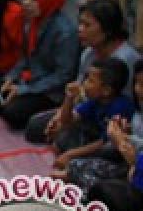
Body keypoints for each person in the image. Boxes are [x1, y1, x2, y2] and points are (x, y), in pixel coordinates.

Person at [27, 0, 139, 145]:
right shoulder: (88, 54)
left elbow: (127, 105)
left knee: (67, 140)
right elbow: (80, 92)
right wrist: (60, 116)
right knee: (35, 126)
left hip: (113, 120)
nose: (80, 29)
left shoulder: (127, 60)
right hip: (87, 109)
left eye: (87, 25)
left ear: (107, 30)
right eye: (80, 24)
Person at [0, 0, 80, 130]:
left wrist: (23, 90)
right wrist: (11, 78)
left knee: (12, 114)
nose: (26, 3)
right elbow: (25, 58)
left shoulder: (65, 33)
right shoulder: (31, 22)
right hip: (31, 79)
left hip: (50, 90)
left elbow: (63, 76)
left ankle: (47, 115)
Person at [50, 58, 133, 188]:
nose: (84, 83)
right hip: (94, 139)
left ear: (106, 90)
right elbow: (67, 121)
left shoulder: (120, 107)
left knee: (80, 161)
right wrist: (69, 97)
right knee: (63, 136)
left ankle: (75, 174)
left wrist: (70, 154)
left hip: (114, 154)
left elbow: (103, 143)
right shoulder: (95, 100)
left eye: (90, 80)